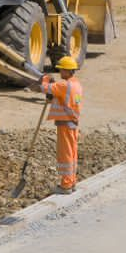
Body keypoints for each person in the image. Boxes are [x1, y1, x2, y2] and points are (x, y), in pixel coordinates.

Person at [41, 56, 82, 193]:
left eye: (61, 70)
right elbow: (66, 99)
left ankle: (65, 185)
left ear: (67, 70)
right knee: (72, 152)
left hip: (65, 124)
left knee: (65, 155)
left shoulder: (65, 85)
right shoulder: (76, 84)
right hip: (73, 123)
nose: (60, 73)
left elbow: (44, 88)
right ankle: (71, 181)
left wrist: (45, 78)